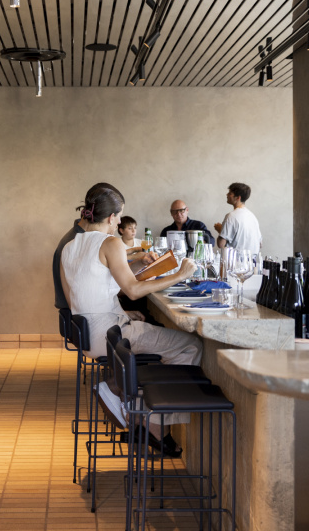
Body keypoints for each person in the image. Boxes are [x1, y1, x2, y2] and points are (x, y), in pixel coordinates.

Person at [61, 184, 202, 455]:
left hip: (89, 336)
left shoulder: (70, 247)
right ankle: (151, 422)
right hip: (112, 335)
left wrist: (138, 268)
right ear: (112, 217)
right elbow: (133, 291)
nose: (119, 224)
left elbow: (81, 296)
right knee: (191, 346)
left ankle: (130, 397)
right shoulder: (110, 242)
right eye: (119, 217)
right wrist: (180, 275)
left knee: (158, 335)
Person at [214, 182, 262, 252]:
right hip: (252, 258)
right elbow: (260, 244)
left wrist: (221, 231)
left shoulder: (231, 216)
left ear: (238, 198)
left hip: (235, 258)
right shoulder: (252, 217)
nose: (227, 194)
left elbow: (220, 244)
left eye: (230, 193)